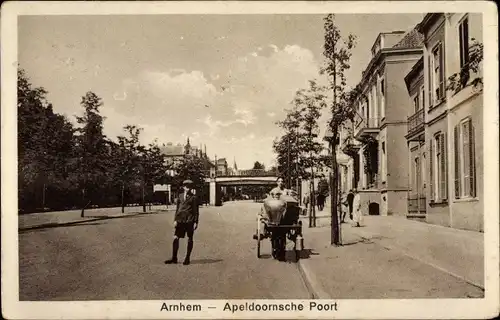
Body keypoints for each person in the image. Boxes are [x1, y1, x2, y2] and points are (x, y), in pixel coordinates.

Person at [165, 180, 199, 265]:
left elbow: (196, 211)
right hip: (180, 220)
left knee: (190, 239)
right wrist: (175, 220)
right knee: (176, 238)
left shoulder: (194, 197)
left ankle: (187, 258)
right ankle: (174, 258)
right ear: (183, 187)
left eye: (189, 186)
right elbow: (177, 209)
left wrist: (196, 222)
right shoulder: (180, 196)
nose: (188, 188)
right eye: (186, 186)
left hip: (189, 220)